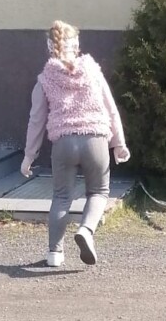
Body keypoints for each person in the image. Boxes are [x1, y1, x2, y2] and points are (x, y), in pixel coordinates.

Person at [21, 20, 129, 268]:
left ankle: (54, 253)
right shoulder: (93, 71)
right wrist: (119, 143)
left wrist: (29, 156)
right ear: (76, 45)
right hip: (96, 139)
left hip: (64, 143)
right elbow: (110, 108)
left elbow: (36, 120)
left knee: (61, 196)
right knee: (99, 192)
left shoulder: (45, 79)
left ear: (50, 47)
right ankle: (86, 230)